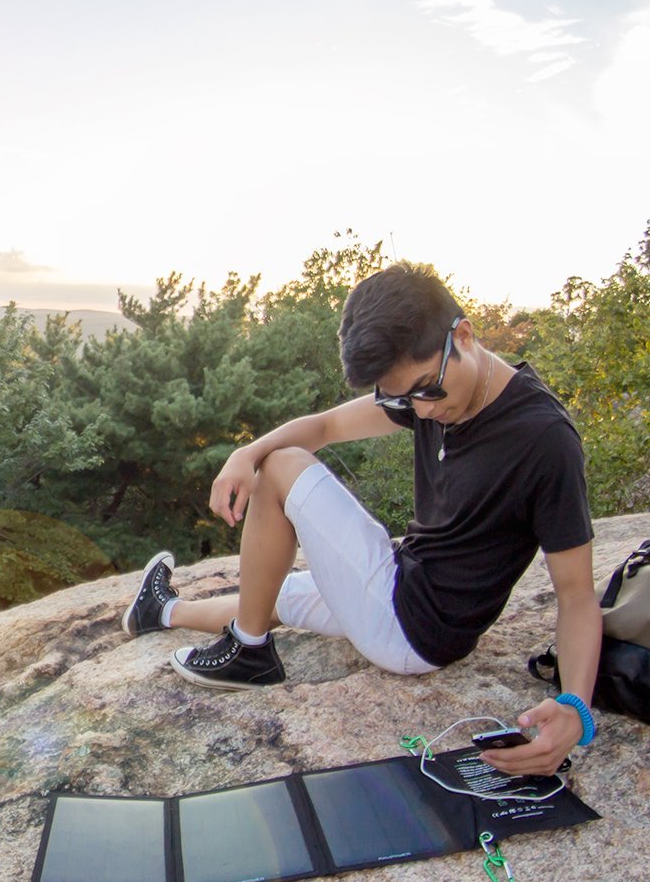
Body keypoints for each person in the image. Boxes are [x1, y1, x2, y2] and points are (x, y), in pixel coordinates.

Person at [122, 262, 602, 777]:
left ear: (463, 335)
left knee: (281, 468)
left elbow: (576, 595)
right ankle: (161, 611)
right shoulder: (431, 387)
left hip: (416, 625)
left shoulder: (543, 440)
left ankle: (250, 654)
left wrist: (577, 708)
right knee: (270, 595)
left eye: (424, 390)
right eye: (400, 398)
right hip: (401, 584)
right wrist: (245, 451)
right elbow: (326, 426)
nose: (418, 411)